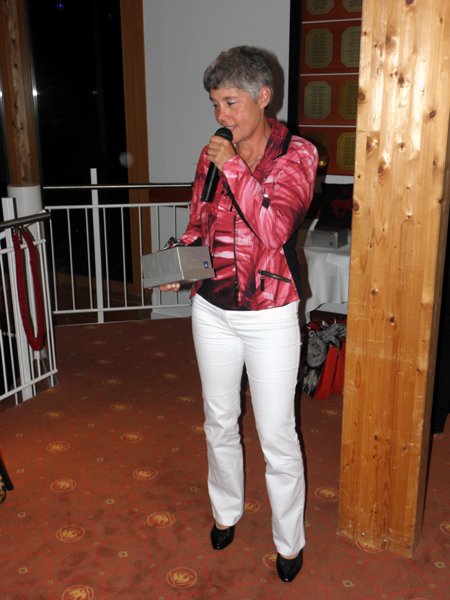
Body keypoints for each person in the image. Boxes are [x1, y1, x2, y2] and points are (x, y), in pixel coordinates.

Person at [161, 46, 318, 583]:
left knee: (277, 435)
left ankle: (288, 541)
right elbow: (198, 224)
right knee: (218, 421)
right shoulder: (211, 155)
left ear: (263, 96)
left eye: (230, 102)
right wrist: (179, 260)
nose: (221, 115)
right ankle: (225, 510)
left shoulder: (297, 155)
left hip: (269, 314)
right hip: (212, 310)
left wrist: (231, 165)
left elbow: (273, 230)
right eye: (215, 104)